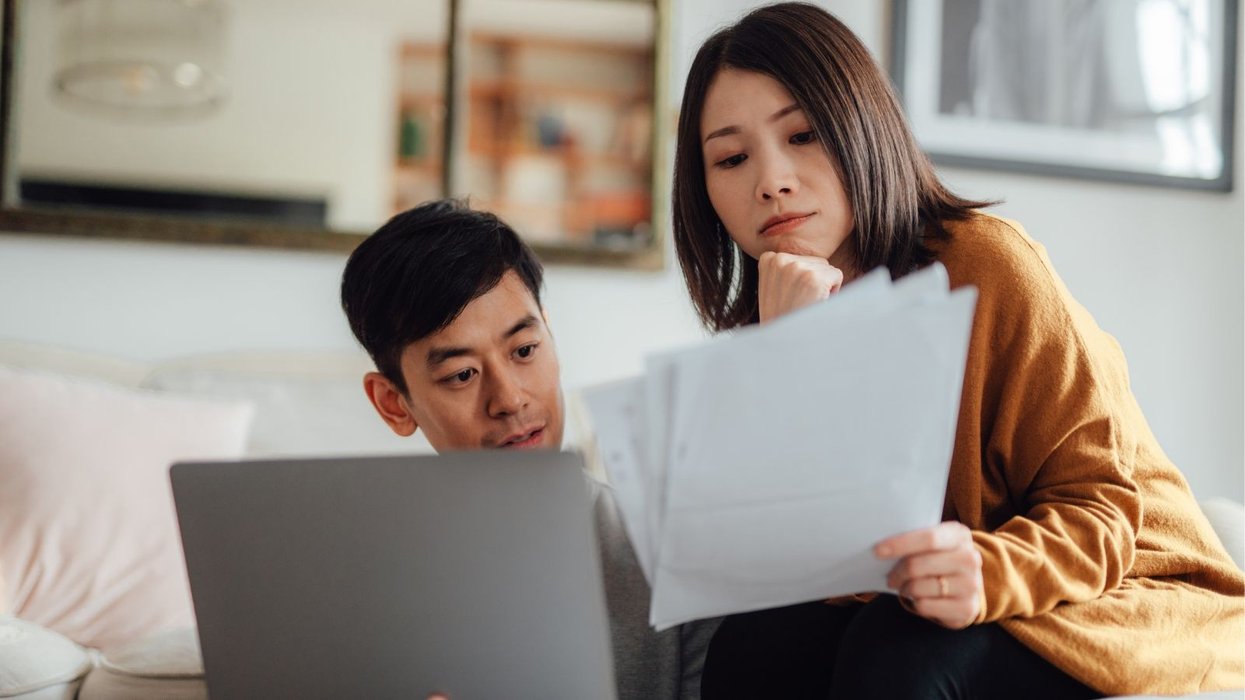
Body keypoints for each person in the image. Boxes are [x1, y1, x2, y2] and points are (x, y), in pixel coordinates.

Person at [669, 3, 1243, 698]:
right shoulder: (771, 321)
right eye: (730, 158)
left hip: (1121, 594)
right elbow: (802, 567)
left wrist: (984, 570)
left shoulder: (985, 265)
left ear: (860, 126)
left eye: (804, 135)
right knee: (750, 654)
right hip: (932, 601)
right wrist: (793, 366)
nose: (771, 180)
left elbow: (1099, 515)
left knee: (900, 656)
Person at [339, 199, 717, 699]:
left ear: (550, 334)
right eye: (461, 375)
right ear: (394, 404)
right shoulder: (350, 586)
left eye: (524, 350)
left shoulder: (670, 549)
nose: (510, 398)